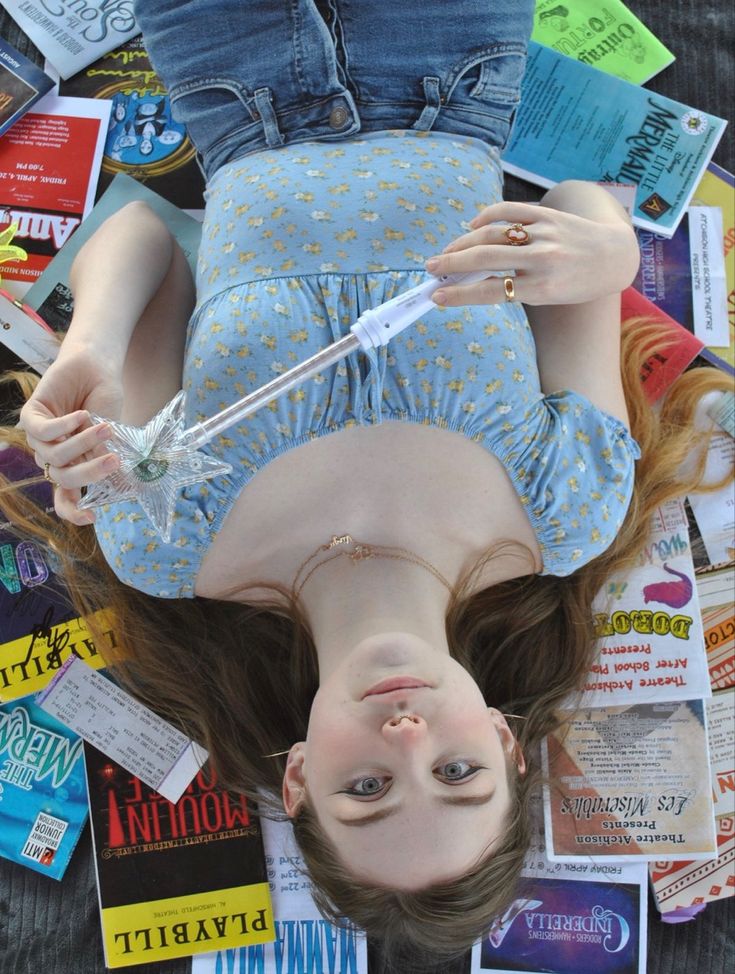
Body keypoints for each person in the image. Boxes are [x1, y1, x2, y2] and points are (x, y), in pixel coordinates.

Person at [2, 2, 731, 970]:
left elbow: (139, 232)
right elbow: (578, 222)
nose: (407, 732)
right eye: (457, 772)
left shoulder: (170, 545)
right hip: (453, 60)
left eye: (370, 788)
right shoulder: (568, 515)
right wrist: (611, 251)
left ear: (300, 776)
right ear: (511, 746)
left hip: (224, 77)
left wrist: (87, 345)